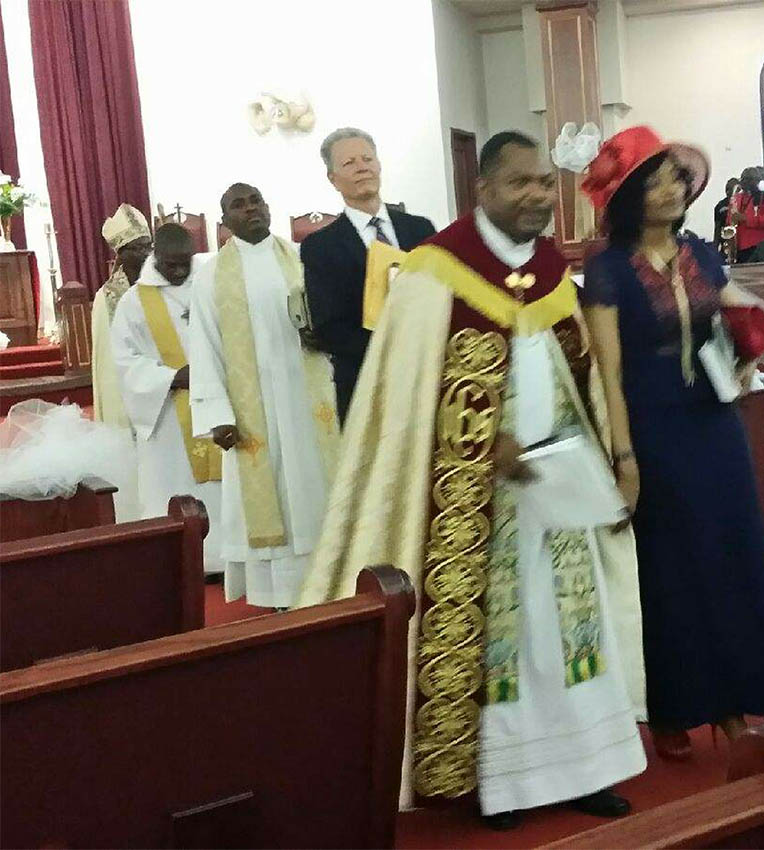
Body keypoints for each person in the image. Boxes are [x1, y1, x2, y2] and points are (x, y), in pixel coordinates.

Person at [297, 130, 646, 830]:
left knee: (573, 627)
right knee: (502, 637)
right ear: (482, 189)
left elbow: (579, 372)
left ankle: (584, 766)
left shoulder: (550, 266)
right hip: (471, 497)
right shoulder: (434, 270)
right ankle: (498, 779)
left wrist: (611, 454)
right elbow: (401, 401)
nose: (537, 197)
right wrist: (485, 441)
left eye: (545, 184)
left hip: (559, 480)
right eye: (519, 183)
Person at [579, 125, 764, 762]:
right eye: (653, 183)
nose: (670, 190)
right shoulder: (605, 271)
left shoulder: (703, 254)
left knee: (732, 557)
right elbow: (609, 373)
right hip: (654, 429)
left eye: (675, 179)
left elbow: (744, 316)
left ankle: (733, 699)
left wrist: (752, 339)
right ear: (627, 198)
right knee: (671, 571)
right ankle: (675, 706)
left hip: (714, 425)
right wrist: (623, 457)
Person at [189, 183, 340, 608]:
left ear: (268, 207)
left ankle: (330, 577)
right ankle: (280, 593)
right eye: (239, 205)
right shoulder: (211, 277)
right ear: (224, 222)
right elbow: (204, 346)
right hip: (254, 411)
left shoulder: (301, 258)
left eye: (256, 201)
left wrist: (321, 333)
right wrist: (217, 413)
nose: (250, 209)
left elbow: (329, 319)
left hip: (308, 399)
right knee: (272, 489)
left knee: (315, 487)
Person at [110, 223, 223, 576]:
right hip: (167, 415)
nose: (178, 271)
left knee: (225, 487)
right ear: (155, 255)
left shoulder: (211, 284)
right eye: (170, 264)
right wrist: (172, 377)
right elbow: (124, 361)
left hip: (217, 404)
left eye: (184, 264)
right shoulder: (134, 302)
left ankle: (226, 557)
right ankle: (182, 561)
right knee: (172, 482)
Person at [302, 127, 436, 422]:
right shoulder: (320, 247)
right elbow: (328, 327)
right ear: (332, 178)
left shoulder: (420, 229)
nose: (362, 167)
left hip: (428, 375)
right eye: (349, 163)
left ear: (378, 165)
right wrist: (392, 351)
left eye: (367, 158)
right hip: (365, 382)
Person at [92, 204, 152, 428]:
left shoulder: (160, 283)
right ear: (122, 252)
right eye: (138, 248)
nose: (147, 254)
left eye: (148, 246)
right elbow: (108, 360)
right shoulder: (107, 297)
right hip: (127, 381)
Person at [731, 166, 764, 263]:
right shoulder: (736, 197)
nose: (744, 182)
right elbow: (730, 221)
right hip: (739, 247)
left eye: (748, 179)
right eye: (742, 179)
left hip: (760, 246)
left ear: (758, 180)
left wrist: (745, 218)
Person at [712, 176, 739, 245]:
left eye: (738, 190)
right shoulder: (720, 206)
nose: (736, 193)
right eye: (733, 190)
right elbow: (717, 229)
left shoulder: (744, 203)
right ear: (727, 192)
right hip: (725, 241)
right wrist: (715, 247)